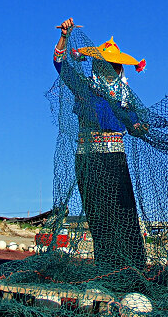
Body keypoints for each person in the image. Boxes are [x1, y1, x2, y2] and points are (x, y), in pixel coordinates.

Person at [53, 17, 148, 268]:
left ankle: (131, 265)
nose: (109, 70)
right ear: (96, 65)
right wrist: (65, 36)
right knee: (97, 213)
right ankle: (107, 265)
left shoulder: (127, 99)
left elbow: (136, 124)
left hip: (115, 160)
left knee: (123, 212)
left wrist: (139, 127)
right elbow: (60, 63)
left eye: (114, 66)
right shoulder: (84, 88)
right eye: (104, 65)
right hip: (88, 159)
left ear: (120, 69)